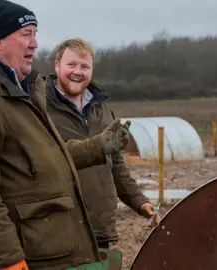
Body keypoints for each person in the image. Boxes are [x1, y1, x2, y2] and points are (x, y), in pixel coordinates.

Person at [0, 1, 131, 269]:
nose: (35, 43)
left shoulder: (24, 89)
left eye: (35, 34)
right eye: (26, 34)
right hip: (21, 257)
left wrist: (99, 146)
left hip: (44, 251)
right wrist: (9, 256)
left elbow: (49, 156)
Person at [44, 38, 161, 249]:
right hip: (57, 226)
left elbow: (115, 164)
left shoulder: (102, 110)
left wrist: (140, 202)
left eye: (84, 66)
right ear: (57, 65)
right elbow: (43, 158)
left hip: (98, 227)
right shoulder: (40, 106)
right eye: (71, 65)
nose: (77, 72)